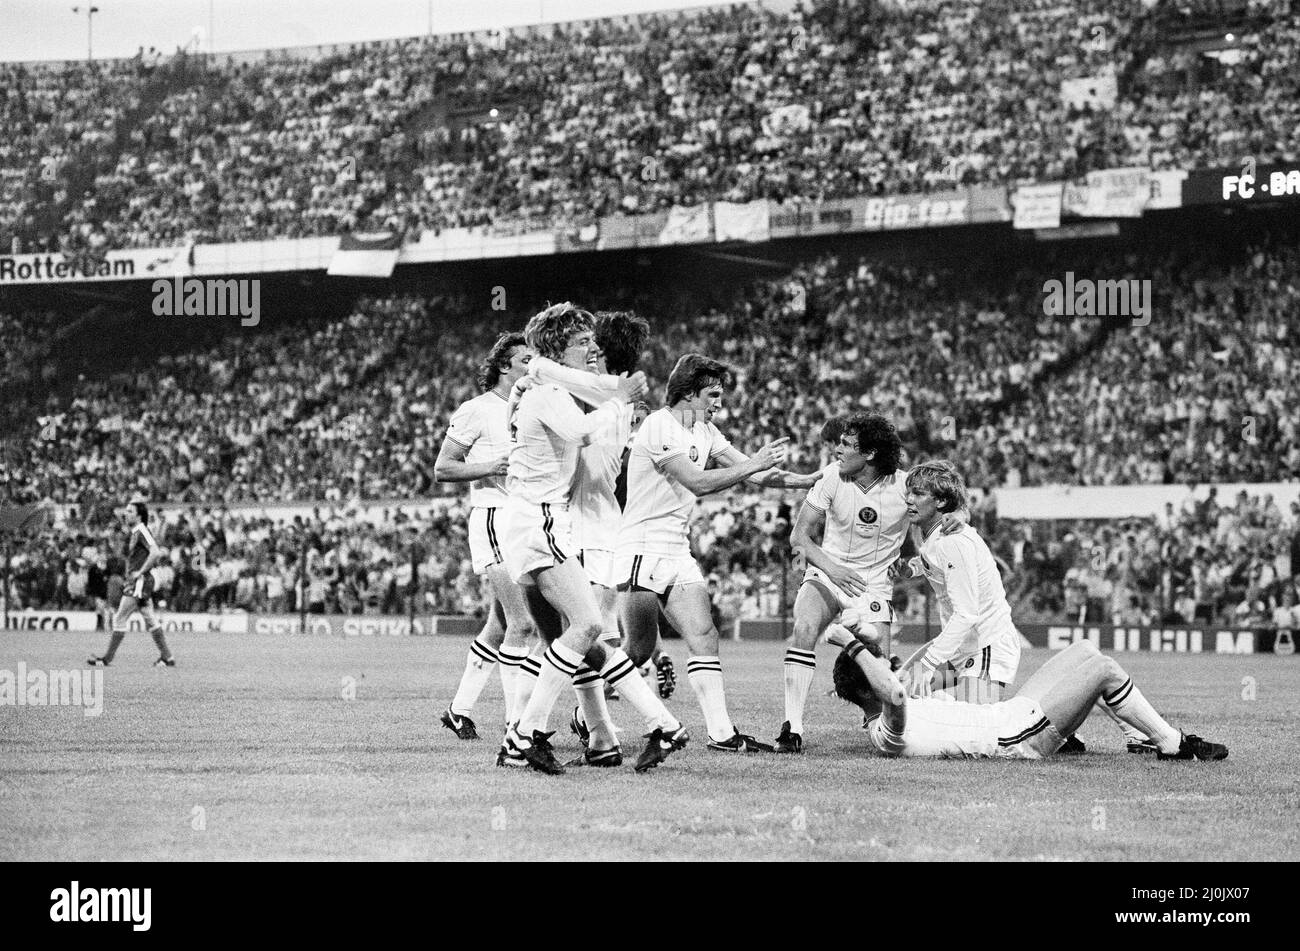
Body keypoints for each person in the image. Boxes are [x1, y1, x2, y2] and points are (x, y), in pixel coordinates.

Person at [500, 303, 686, 775]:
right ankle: (525, 734)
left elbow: (579, 394)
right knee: (582, 632)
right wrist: (620, 400)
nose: (591, 350)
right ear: (560, 349)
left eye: (595, 346)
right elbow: (582, 430)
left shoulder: (548, 389)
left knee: (581, 642)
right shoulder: (555, 394)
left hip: (547, 522)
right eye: (583, 343)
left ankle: (650, 728)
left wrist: (614, 395)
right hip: (551, 521)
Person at [617, 353, 817, 753]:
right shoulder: (659, 426)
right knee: (638, 649)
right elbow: (698, 483)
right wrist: (755, 464)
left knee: (704, 635)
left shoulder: (706, 430)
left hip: (676, 548)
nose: (718, 403)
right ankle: (587, 711)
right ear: (688, 393)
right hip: (641, 546)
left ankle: (722, 735)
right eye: (712, 394)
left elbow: (757, 473)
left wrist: (808, 480)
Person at [777, 416, 967, 753]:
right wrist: (832, 569)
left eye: (848, 445)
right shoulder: (831, 477)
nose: (838, 449)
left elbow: (947, 510)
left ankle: (877, 725)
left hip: (874, 586)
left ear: (870, 453)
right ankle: (792, 728)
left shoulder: (906, 487)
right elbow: (799, 537)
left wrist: (959, 516)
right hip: (827, 571)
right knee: (804, 627)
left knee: (879, 673)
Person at [828, 632, 1228, 761]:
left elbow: (935, 677)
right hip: (1018, 739)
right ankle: (1171, 743)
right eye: (882, 666)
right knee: (1103, 671)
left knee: (1085, 650)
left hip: (1010, 714)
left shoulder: (901, 697)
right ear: (868, 688)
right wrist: (850, 643)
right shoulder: (883, 732)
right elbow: (895, 692)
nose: (892, 666)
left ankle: (1138, 735)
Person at [434, 332, 539, 740]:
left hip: (522, 519)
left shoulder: (529, 407)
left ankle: (459, 711)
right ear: (503, 367)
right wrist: (490, 466)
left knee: (498, 624)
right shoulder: (477, 410)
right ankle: (518, 726)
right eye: (525, 360)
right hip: (494, 517)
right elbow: (443, 468)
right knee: (523, 622)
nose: (533, 366)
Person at [88, 500, 175, 668]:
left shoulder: (142, 530)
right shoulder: (135, 532)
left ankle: (106, 659)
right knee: (150, 619)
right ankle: (167, 657)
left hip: (140, 582)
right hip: (138, 582)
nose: (126, 514)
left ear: (139, 515)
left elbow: (155, 552)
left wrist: (140, 572)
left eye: (129, 511)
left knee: (120, 617)